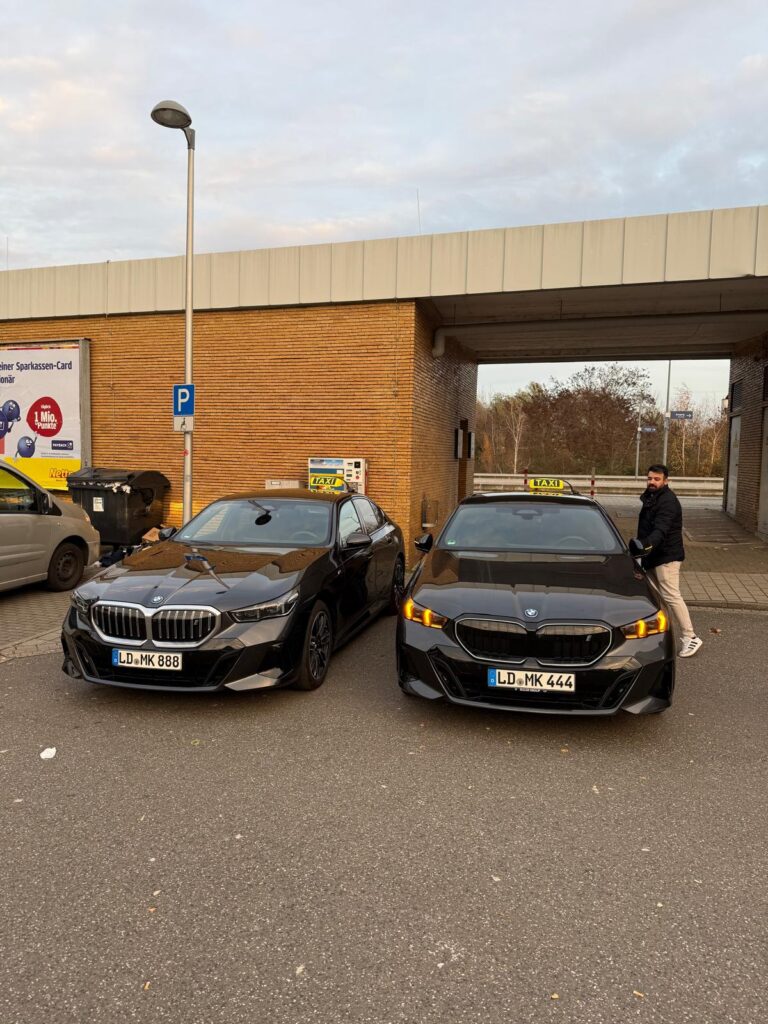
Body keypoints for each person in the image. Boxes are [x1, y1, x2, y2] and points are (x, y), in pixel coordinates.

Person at [631, 464, 702, 658]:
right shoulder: (651, 497)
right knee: (655, 596)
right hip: (653, 556)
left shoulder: (668, 502)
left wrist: (646, 546)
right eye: (650, 478)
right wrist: (641, 551)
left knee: (671, 596)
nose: (652, 482)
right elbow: (646, 527)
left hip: (666, 557)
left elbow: (660, 530)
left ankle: (690, 637)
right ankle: (658, 633)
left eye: (656, 479)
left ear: (666, 481)